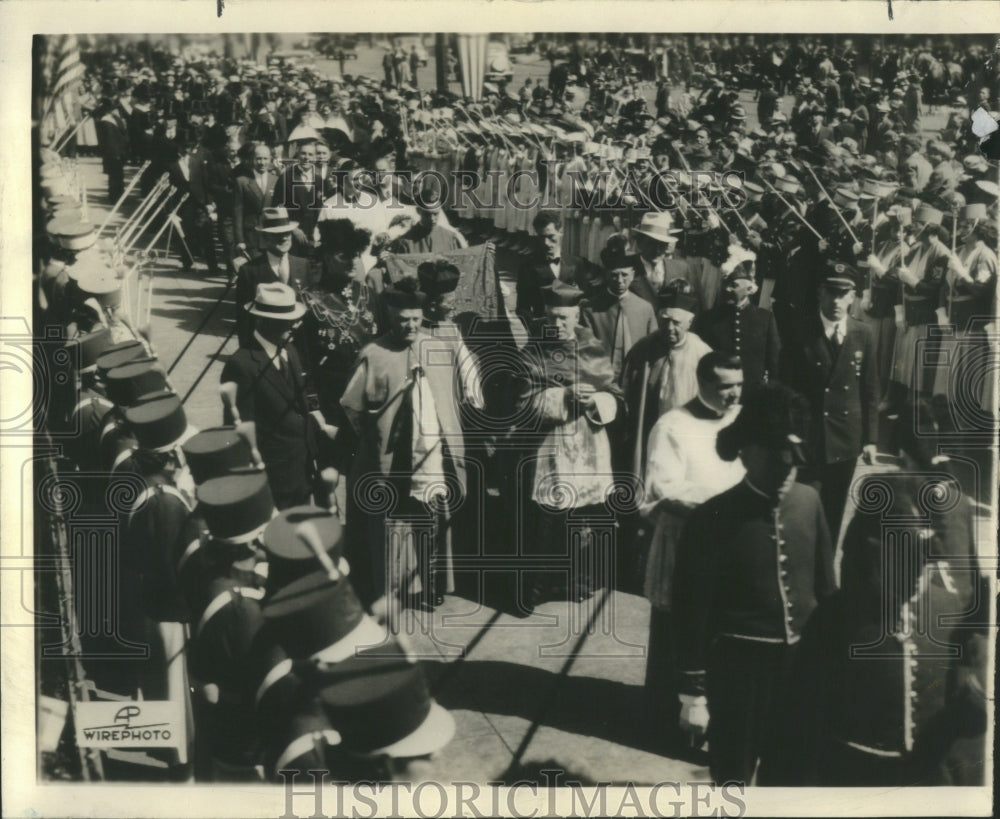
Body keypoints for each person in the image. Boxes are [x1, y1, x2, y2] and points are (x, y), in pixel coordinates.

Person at [672, 383, 836, 785]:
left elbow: (826, 591)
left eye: (793, 465)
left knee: (795, 778)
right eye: (777, 464)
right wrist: (693, 692)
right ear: (746, 454)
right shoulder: (710, 519)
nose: (787, 474)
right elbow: (690, 610)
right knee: (733, 778)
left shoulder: (809, 503)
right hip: (738, 676)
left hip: (800, 671)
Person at [339, 278, 468, 617]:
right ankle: (389, 589)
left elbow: (451, 400)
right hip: (391, 457)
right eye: (402, 320)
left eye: (415, 319)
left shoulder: (437, 348)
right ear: (390, 318)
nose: (410, 326)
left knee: (431, 522)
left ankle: (432, 583)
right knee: (391, 526)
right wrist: (375, 436)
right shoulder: (374, 353)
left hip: (431, 454)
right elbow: (352, 408)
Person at [641, 352, 746, 751]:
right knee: (678, 631)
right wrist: (720, 509)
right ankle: (666, 725)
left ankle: (712, 719)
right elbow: (663, 488)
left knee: (720, 634)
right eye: (725, 386)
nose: (734, 394)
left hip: (733, 544)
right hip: (685, 542)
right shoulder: (672, 426)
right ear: (701, 383)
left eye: (739, 384)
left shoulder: (741, 419)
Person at [512, 281, 624, 608]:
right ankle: (535, 588)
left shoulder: (593, 348)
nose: (557, 325)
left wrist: (597, 399)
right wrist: (563, 396)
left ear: (577, 316)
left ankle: (575, 581)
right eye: (552, 318)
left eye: (564, 318)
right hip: (550, 445)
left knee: (584, 518)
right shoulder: (533, 353)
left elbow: (615, 394)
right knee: (546, 520)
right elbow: (521, 402)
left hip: (589, 442)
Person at [780, 263, 879, 541]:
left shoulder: (864, 333)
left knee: (833, 511)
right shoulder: (799, 331)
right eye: (831, 293)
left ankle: (824, 578)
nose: (836, 301)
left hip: (845, 438)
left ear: (852, 297)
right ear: (819, 294)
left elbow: (870, 390)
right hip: (807, 438)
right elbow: (784, 387)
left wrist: (870, 438)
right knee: (801, 508)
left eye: (843, 294)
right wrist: (786, 432)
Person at [220, 283, 335, 510]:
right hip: (273, 474)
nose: (293, 325)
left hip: (303, 466)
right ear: (262, 320)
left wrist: (318, 422)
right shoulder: (242, 364)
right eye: (285, 321)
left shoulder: (290, 350)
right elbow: (238, 428)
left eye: (292, 319)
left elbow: (303, 392)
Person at [622, 287, 712, 481]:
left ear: (689, 322)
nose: (669, 328)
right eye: (664, 321)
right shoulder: (642, 348)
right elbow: (625, 389)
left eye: (676, 323)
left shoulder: (702, 354)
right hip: (646, 428)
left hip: (684, 434)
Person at [694, 249, 781, 390]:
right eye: (726, 285)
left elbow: (774, 360)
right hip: (719, 389)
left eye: (733, 285)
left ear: (749, 289)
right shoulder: (709, 317)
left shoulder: (765, 318)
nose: (727, 290)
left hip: (753, 391)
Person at [580, 240, 658, 383]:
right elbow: (586, 352)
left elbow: (653, 350)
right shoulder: (591, 309)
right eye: (614, 275)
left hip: (635, 380)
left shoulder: (645, 309)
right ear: (605, 274)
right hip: (600, 379)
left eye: (625, 275)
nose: (620, 281)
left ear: (633, 275)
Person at [234, 208, 312, 348]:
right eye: (277, 234)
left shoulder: (303, 265)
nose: (284, 238)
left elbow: (307, 310)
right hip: (263, 346)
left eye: (287, 232)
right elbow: (244, 319)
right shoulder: (250, 271)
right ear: (265, 237)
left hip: (298, 346)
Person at [517, 211, 581, 318]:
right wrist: (536, 328)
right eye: (541, 237)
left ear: (561, 231)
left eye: (551, 236)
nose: (546, 243)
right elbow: (522, 308)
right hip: (542, 330)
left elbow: (583, 303)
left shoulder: (576, 263)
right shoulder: (527, 267)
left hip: (569, 331)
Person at [233, 143, 276, 263]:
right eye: (259, 158)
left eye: (265, 158)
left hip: (271, 235)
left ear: (270, 159)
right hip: (251, 236)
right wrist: (240, 240)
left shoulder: (276, 180)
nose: (262, 162)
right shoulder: (242, 181)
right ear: (253, 159)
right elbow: (238, 212)